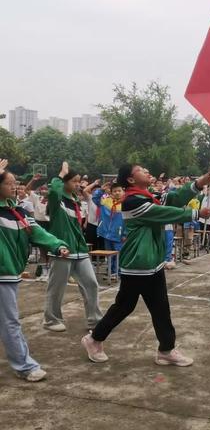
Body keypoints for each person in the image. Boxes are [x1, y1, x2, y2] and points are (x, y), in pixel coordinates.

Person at [81, 165, 210, 366]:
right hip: (137, 263)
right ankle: (94, 339)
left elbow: (173, 198)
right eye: (141, 169)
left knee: (159, 308)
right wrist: (195, 214)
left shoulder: (147, 196)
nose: (146, 170)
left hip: (152, 263)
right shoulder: (132, 201)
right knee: (124, 307)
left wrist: (200, 182)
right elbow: (163, 212)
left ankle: (166, 349)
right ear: (131, 180)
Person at [0, 159, 70, 382]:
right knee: (11, 322)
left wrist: (57, 245)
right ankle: (25, 366)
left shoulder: (19, 212)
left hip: (10, 273)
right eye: (9, 183)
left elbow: (39, 233)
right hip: (3, 274)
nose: (15, 187)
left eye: (16, 183)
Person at [43, 162, 103, 332]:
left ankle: (95, 321)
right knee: (57, 287)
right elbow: (54, 190)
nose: (78, 184)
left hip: (80, 251)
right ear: (65, 182)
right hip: (63, 250)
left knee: (91, 283)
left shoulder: (76, 201)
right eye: (74, 181)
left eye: (79, 181)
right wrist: (61, 174)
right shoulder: (57, 201)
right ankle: (51, 319)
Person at [92, 182, 126, 277]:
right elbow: (95, 198)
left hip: (118, 234)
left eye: (119, 191)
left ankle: (118, 271)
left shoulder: (126, 204)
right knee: (109, 253)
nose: (117, 193)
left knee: (119, 253)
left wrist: (125, 234)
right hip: (106, 233)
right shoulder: (105, 201)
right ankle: (111, 271)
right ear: (111, 193)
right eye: (115, 191)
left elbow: (128, 221)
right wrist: (101, 190)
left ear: (123, 192)